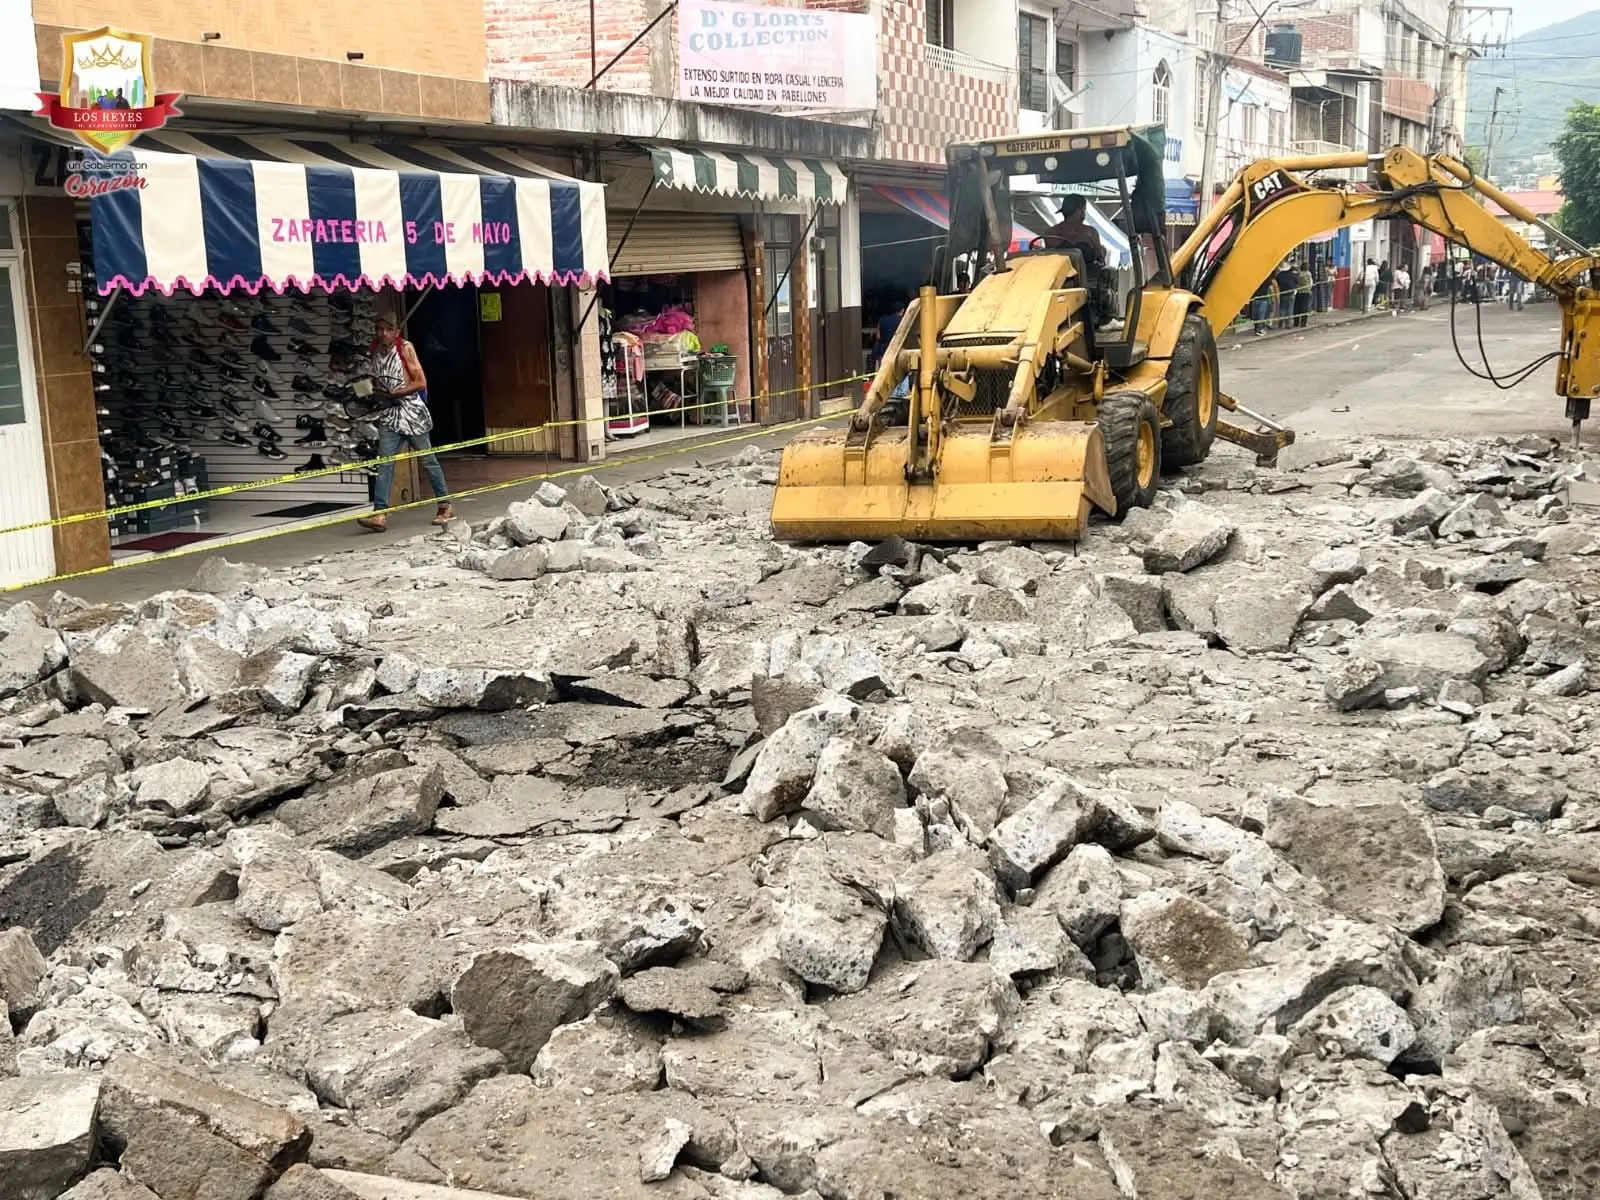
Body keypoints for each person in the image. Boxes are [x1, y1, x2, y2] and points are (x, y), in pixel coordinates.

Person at [356, 314, 454, 533]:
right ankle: (379, 513)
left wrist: (396, 393)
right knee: (385, 463)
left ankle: (445, 505)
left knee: (428, 461)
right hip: (390, 415)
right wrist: (363, 392)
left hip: (412, 413)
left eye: (388, 329)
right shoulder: (374, 350)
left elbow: (420, 382)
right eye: (379, 329)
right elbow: (376, 382)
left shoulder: (405, 348)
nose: (383, 334)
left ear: (396, 331)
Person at [1041, 194, 1106, 269]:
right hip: (1086, 274)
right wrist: (1102, 251)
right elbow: (1100, 259)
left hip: (1058, 273)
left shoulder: (1051, 233)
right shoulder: (1090, 232)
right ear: (1080, 210)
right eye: (1084, 210)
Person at [1273, 261, 1300, 330]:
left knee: (1282, 308)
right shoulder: (1292, 274)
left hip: (1283, 293)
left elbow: (1277, 283)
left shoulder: (1279, 275)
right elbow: (1297, 282)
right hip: (1291, 293)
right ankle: (1288, 324)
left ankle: (1280, 323)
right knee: (1290, 309)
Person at [1294, 261, 1314, 328]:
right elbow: (1310, 283)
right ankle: (1303, 323)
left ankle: (1296, 323)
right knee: (1305, 308)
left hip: (1298, 292)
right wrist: (1309, 289)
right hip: (1306, 292)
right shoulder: (1308, 274)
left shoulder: (1298, 273)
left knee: (1297, 308)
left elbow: (1296, 282)